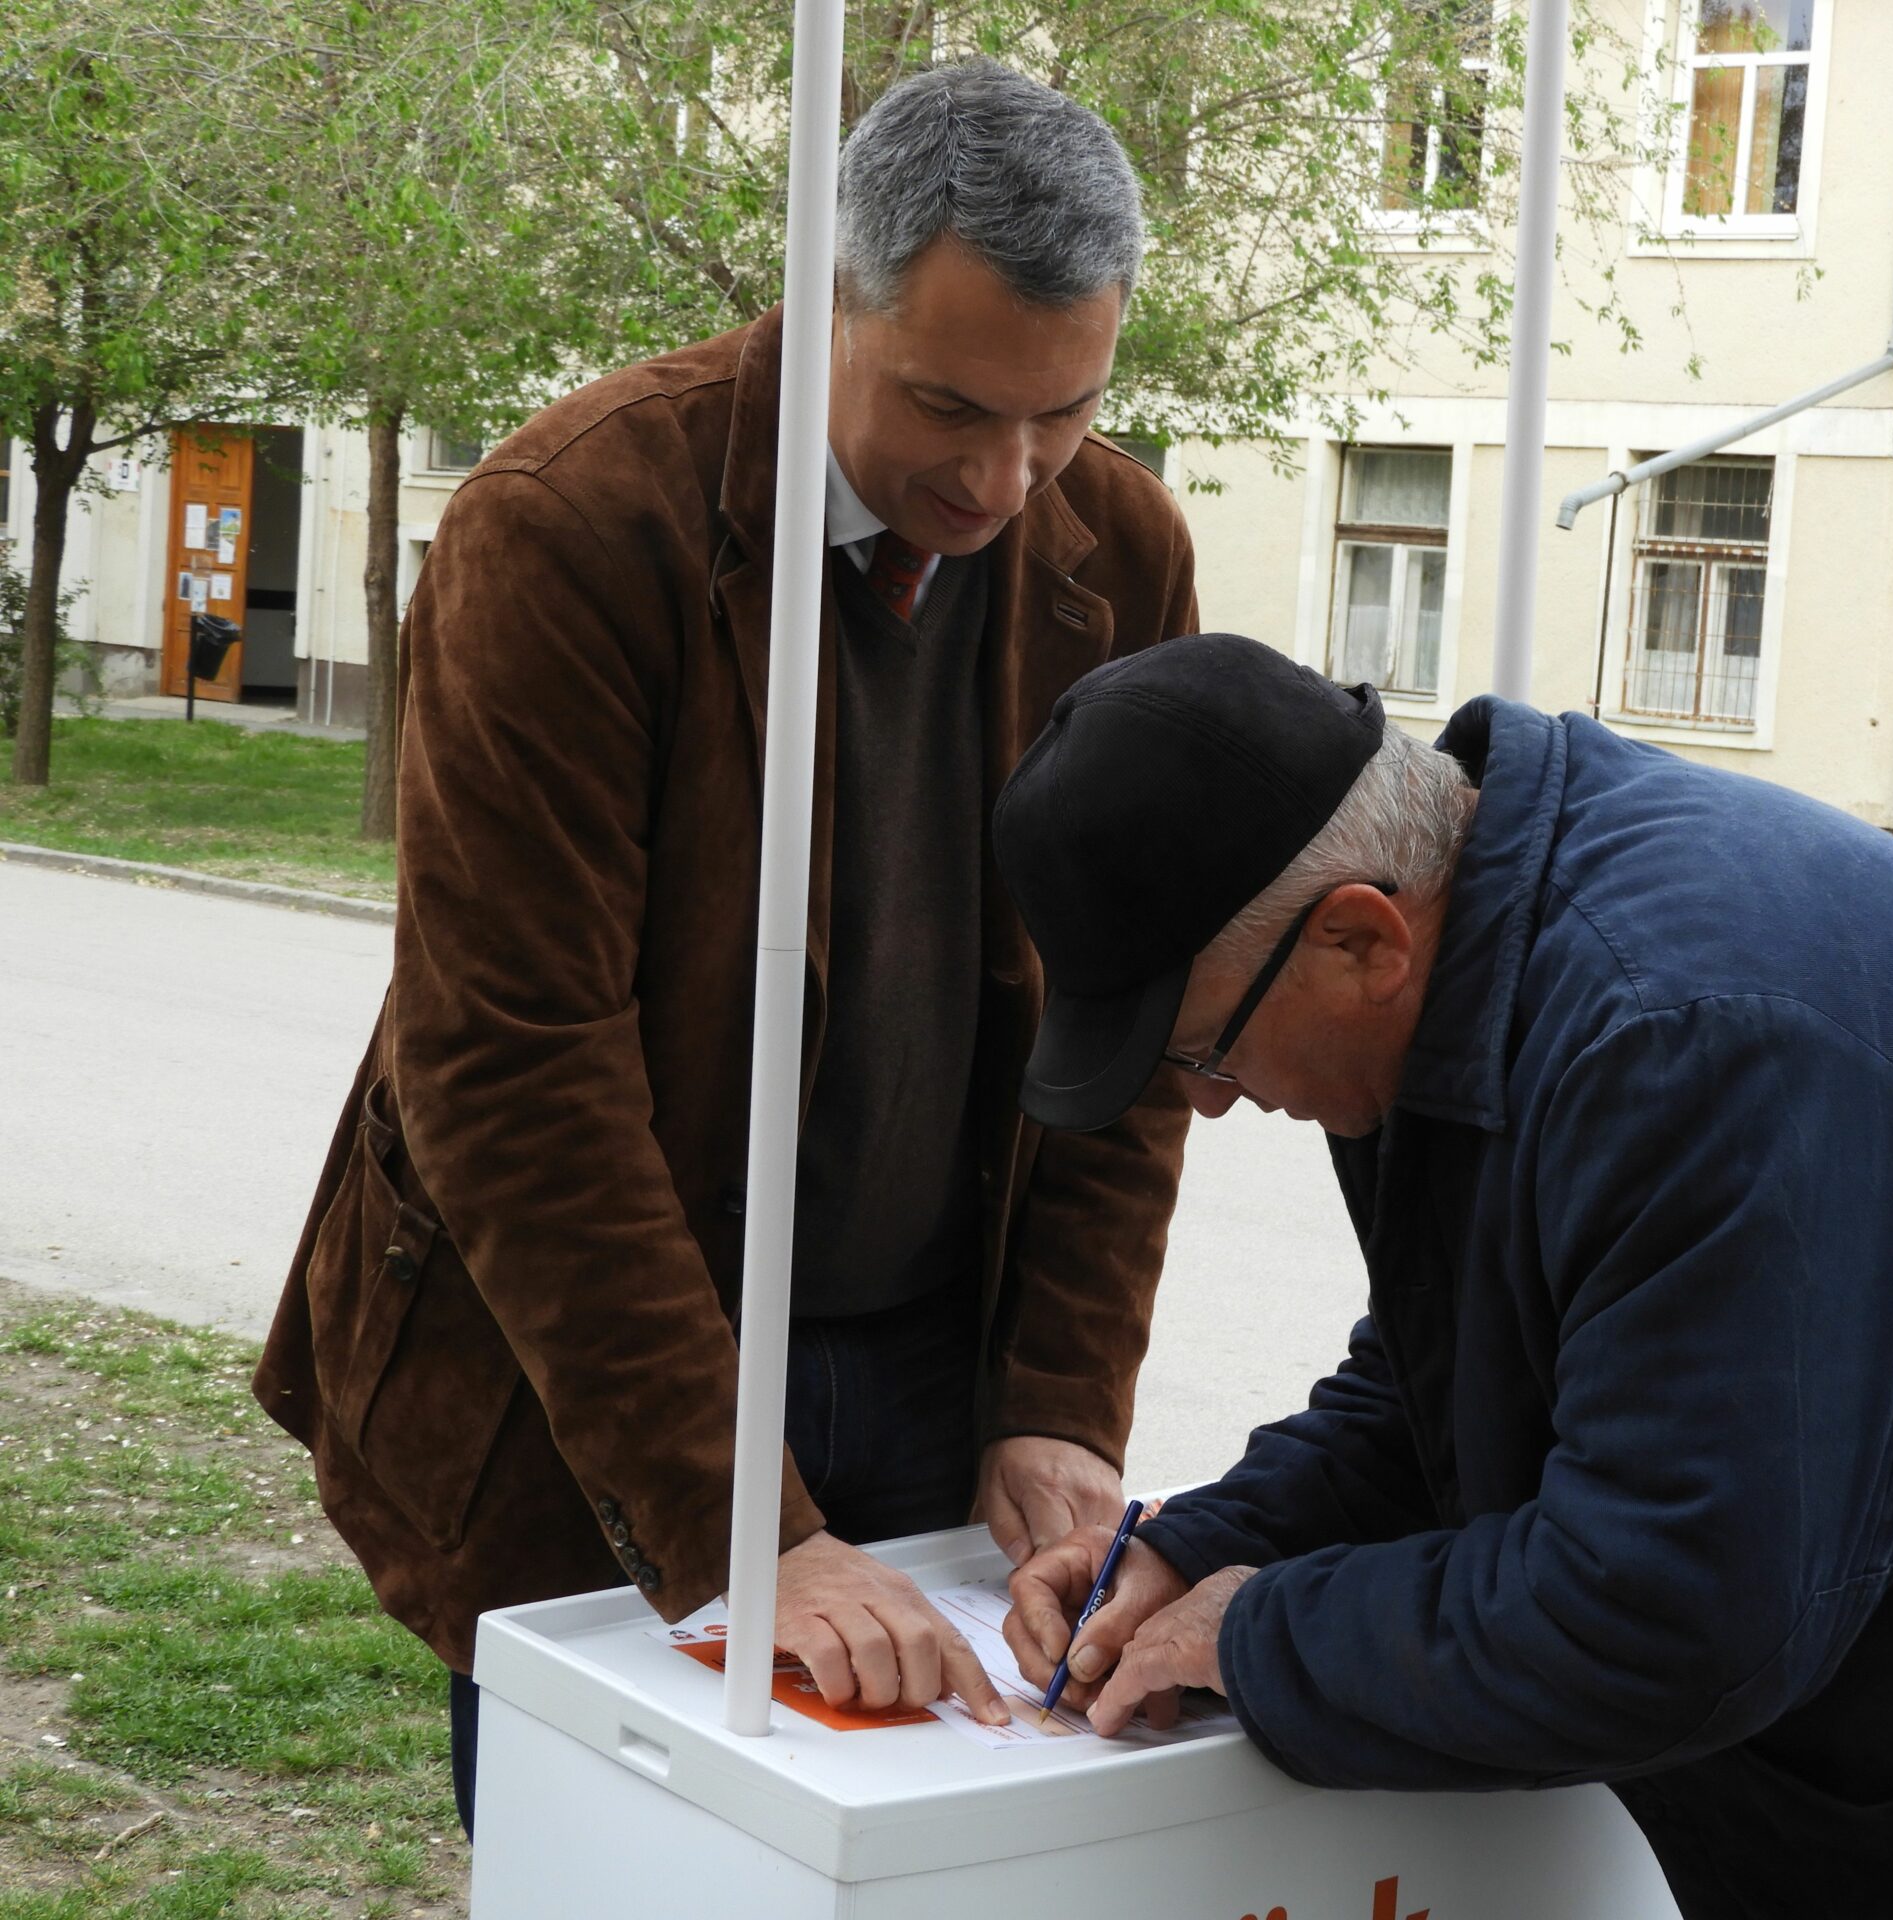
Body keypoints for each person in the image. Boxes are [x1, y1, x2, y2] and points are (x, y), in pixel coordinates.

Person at [994, 635, 1893, 1919]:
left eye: (1201, 1052)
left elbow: (1670, 1608)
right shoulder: (1467, 955)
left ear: (1359, 938)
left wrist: (1267, 1635)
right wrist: (1207, 1543)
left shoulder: (1694, 1039)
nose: (1206, 1102)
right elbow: (1454, 1366)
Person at [253, 61, 1198, 1833]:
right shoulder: (571, 527)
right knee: (624, 1851)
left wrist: (1063, 1398)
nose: (1006, 480)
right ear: (829, 291)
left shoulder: (1119, 550)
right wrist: (742, 1533)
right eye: (948, 405)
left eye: (1065, 412)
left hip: (936, 1354)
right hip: (595, 1368)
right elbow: (513, 1072)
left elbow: (1123, 1027)